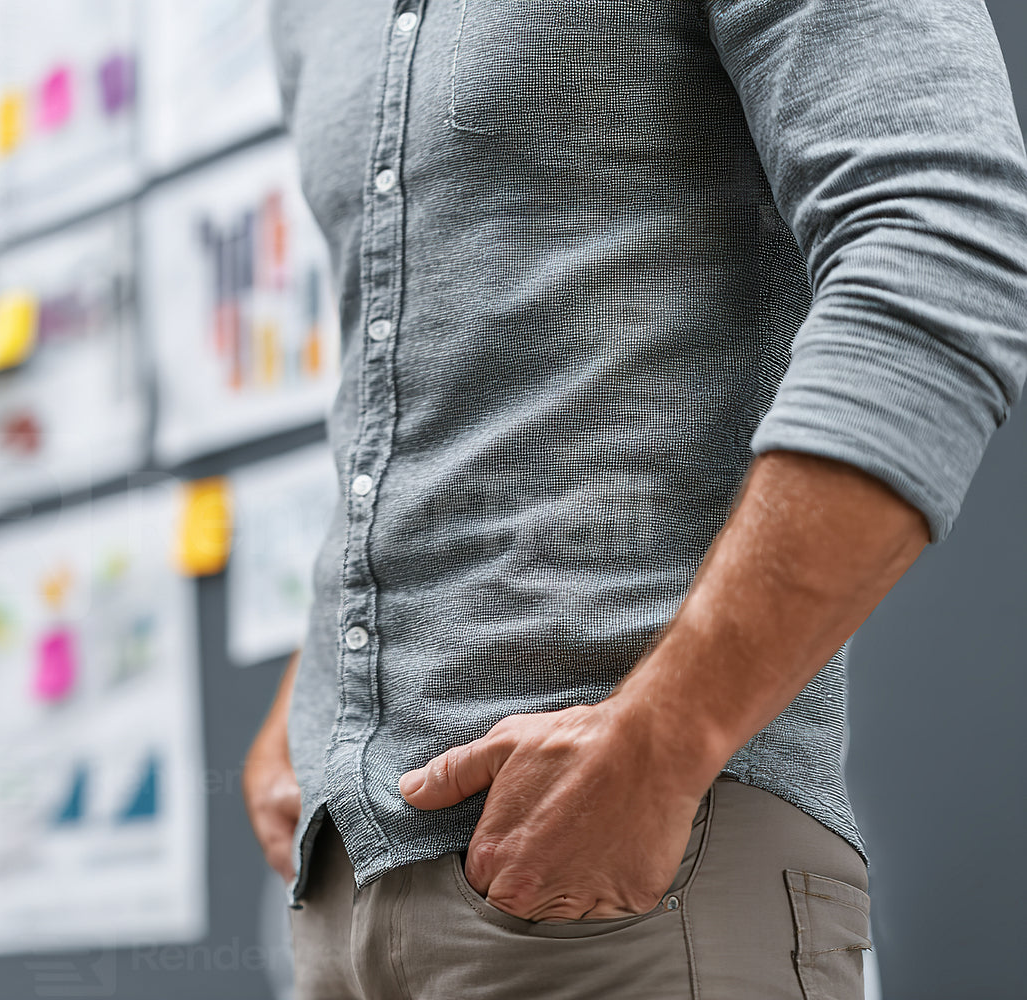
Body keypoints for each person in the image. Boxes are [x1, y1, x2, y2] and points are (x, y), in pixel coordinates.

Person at [242, 1, 1027, 997]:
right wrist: (316, 693)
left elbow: (941, 245)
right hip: (341, 910)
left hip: (637, 892)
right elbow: (403, 357)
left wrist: (666, 739)